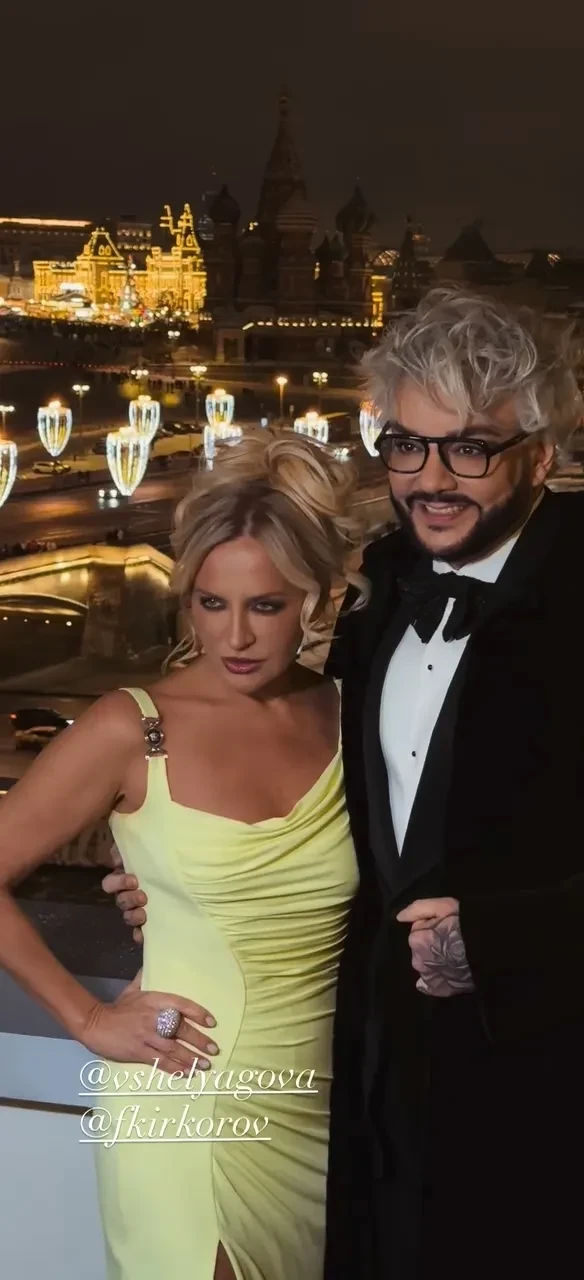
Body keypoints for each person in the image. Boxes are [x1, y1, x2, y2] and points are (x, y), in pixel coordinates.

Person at [110, 289, 584, 1280]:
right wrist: (181, 879)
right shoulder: (374, 590)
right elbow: (318, 802)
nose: (431, 478)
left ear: (541, 454)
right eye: (406, 444)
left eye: (469, 448)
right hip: (372, 1091)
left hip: (558, 1099)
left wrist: (505, 943)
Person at [0, 429, 365, 1280]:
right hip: (180, 1095)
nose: (234, 636)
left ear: (317, 599)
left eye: (265, 606)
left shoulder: (348, 714)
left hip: (318, 1114)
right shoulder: (134, 728)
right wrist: (88, 1018)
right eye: (210, 602)